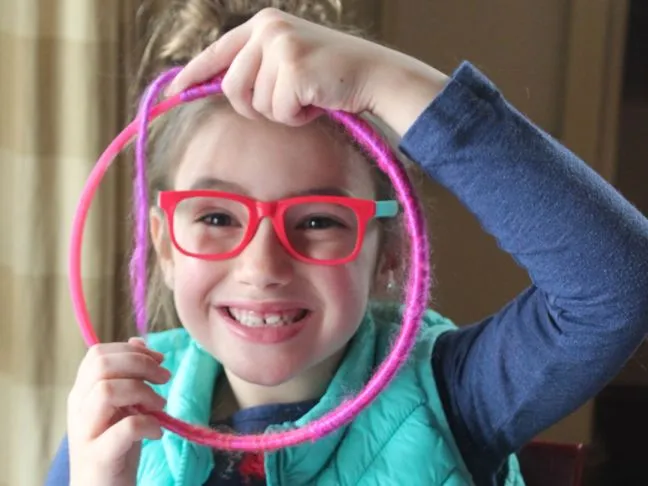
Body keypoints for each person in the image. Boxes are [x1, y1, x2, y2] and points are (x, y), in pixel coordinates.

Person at [45, 1, 648, 485]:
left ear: (389, 254)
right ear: (166, 246)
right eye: (217, 219)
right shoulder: (119, 413)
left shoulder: (451, 396)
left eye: (318, 221)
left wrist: (386, 81)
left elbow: (618, 285)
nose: (262, 268)